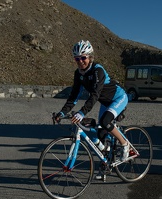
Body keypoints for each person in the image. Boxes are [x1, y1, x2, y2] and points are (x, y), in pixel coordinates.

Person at [55, 40, 129, 179]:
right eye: (77, 58)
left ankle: (125, 145)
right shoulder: (78, 74)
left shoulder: (97, 70)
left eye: (83, 57)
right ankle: (106, 165)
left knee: (105, 121)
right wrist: (62, 112)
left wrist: (82, 112)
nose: (80, 61)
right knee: (99, 135)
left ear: (90, 57)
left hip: (118, 98)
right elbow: (74, 96)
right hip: (105, 103)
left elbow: (95, 94)